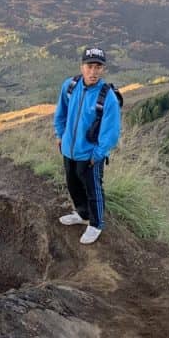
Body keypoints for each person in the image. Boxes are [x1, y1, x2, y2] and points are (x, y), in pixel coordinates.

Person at [54, 46, 122, 244]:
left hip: (90, 154)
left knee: (94, 190)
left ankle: (96, 224)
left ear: (103, 70)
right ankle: (82, 214)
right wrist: (60, 135)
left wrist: (98, 154)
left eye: (98, 67)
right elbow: (61, 113)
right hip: (69, 150)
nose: (93, 71)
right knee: (73, 185)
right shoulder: (70, 86)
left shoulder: (107, 97)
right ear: (82, 66)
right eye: (89, 66)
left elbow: (111, 132)